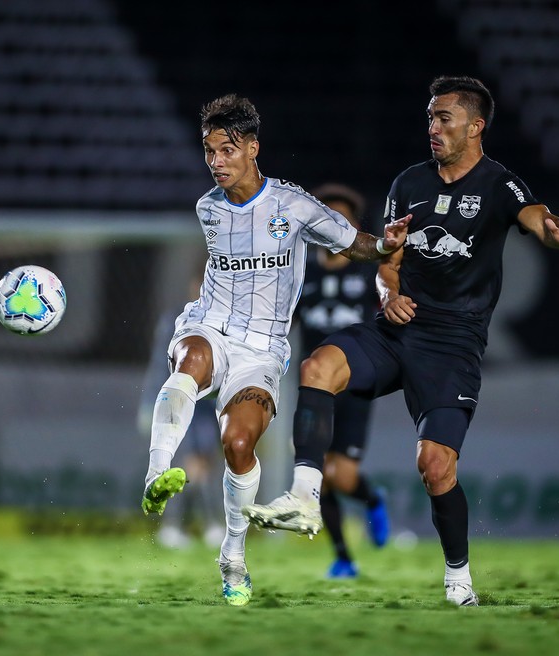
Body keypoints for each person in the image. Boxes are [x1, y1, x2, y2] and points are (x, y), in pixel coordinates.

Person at [242, 76, 559, 606]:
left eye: (443, 118)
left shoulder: (499, 185)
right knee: (318, 367)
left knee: (434, 467)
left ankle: (458, 577)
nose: (432, 127)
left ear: (475, 127)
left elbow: (537, 220)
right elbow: (390, 262)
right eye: (429, 117)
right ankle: (305, 497)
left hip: (453, 344)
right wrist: (387, 293)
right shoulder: (409, 183)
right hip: (396, 328)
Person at [140, 93, 411, 606]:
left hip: (262, 350)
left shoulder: (293, 205)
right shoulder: (208, 208)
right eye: (209, 151)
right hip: (210, 325)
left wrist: (382, 247)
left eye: (226, 150)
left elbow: (349, 241)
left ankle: (233, 555)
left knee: (238, 446)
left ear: (253, 148)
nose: (216, 162)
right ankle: (156, 474)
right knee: (190, 361)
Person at [299, 183, 390, 579]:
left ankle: (371, 499)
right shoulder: (300, 271)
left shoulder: (369, 271)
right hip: (316, 388)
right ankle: (343, 557)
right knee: (318, 474)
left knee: (342, 476)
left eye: (344, 220)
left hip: (354, 385)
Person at [138, 272, 225, 550]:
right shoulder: (175, 320)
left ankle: (195, 526)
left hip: (207, 405)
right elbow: (157, 365)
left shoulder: (225, 321)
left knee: (203, 465)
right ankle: (180, 526)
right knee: (186, 463)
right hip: (177, 401)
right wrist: (149, 402)